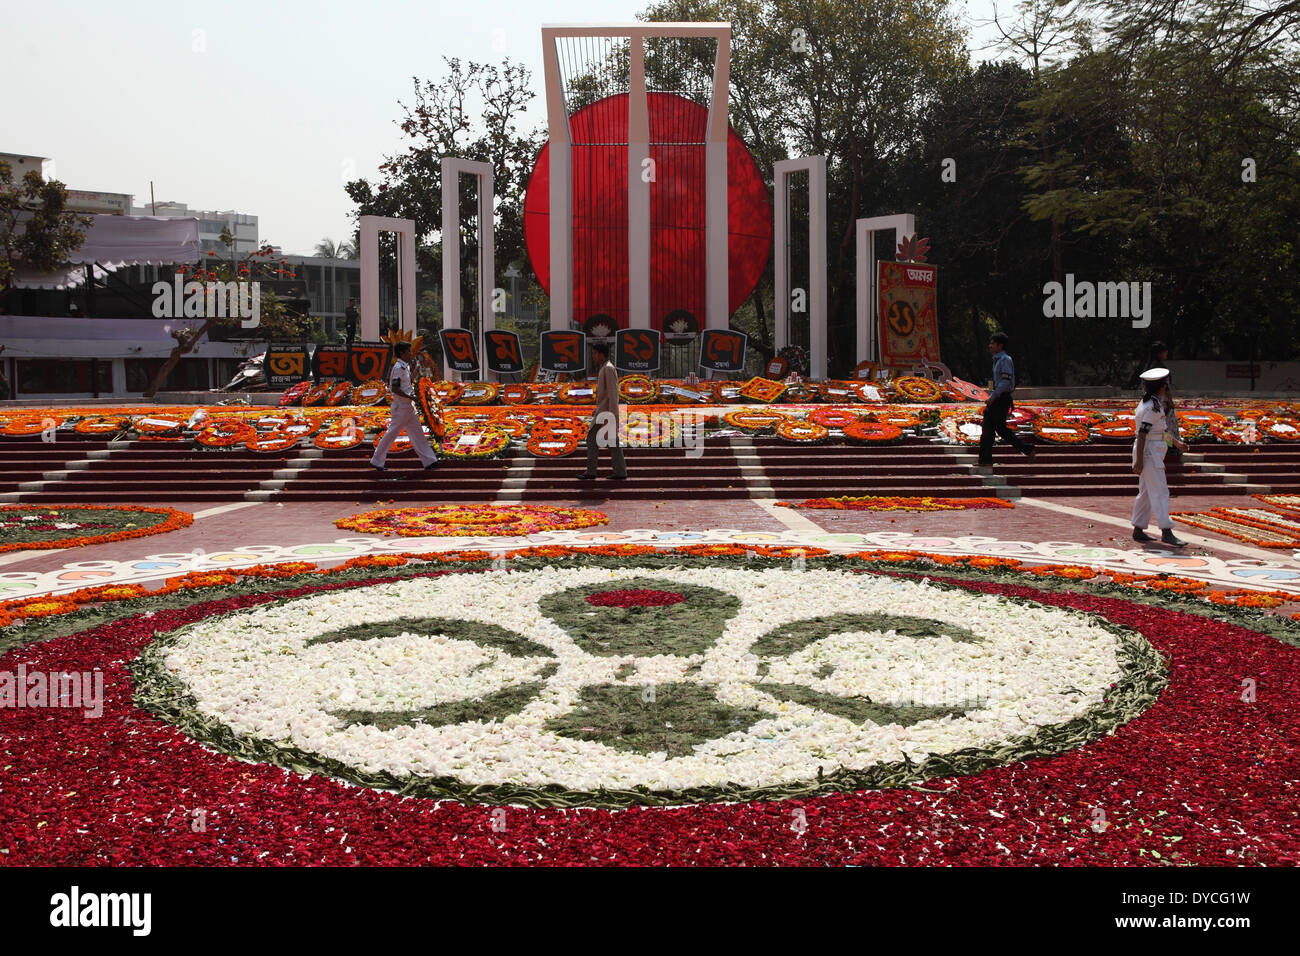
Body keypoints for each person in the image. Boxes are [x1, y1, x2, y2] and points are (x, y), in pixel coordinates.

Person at [1132, 368, 1188, 546]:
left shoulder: (1151, 404)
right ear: (1163, 387)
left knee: (1147, 492)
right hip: (1149, 453)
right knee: (1161, 492)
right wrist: (1139, 461)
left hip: (1151, 451)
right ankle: (1166, 530)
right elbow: (1142, 435)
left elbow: (1159, 432)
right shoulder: (1152, 408)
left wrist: (1177, 444)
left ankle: (1139, 528)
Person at [370, 341, 438, 475]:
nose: (410, 354)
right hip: (401, 407)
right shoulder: (398, 368)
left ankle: (429, 460)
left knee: (418, 434)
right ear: (401, 353)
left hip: (408, 407)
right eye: (408, 351)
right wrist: (412, 398)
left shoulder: (404, 367)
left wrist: (414, 373)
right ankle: (376, 460)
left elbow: (406, 384)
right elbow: (395, 388)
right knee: (391, 434)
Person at [978, 332, 1035, 466]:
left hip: (1001, 399)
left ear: (1000, 345)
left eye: (993, 343)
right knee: (987, 429)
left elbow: (1005, 382)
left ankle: (1027, 448)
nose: (990, 345)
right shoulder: (997, 360)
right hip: (997, 399)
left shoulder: (1005, 360)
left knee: (1000, 429)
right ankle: (985, 460)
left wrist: (993, 396)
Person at [578, 342, 627, 480]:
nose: (593, 356)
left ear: (601, 354)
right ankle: (619, 471)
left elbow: (613, 394)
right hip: (603, 411)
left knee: (593, 439)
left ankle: (592, 472)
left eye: (595, 353)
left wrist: (612, 415)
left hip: (606, 413)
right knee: (610, 442)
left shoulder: (608, 369)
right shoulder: (605, 368)